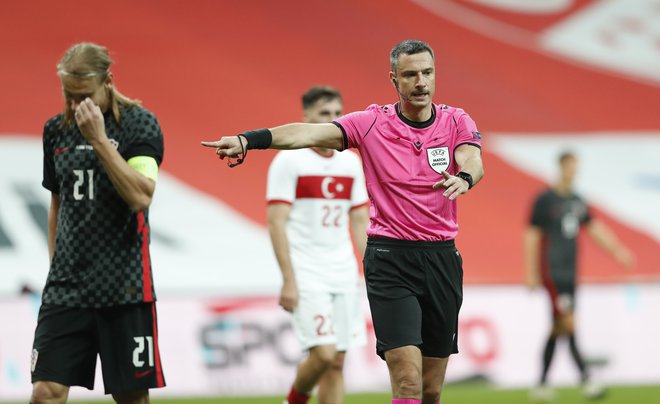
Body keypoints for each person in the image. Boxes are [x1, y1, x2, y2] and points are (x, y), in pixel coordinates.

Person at [203, 39, 484, 404]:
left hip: (442, 259)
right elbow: (307, 133)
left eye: (427, 72)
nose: (421, 82)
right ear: (394, 79)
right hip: (390, 259)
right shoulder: (370, 124)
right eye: (411, 74)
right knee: (407, 380)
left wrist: (464, 177)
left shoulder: (455, 120)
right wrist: (248, 140)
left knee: (431, 389)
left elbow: (472, 158)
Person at [30, 42, 166, 404]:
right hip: (66, 288)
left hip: (124, 288)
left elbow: (141, 196)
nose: (76, 106)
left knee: (130, 398)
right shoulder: (55, 131)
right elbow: (57, 204)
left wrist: (99, 141)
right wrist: (55, 267)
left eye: (84, 96)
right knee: (45, 392)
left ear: (108, 81)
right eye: (68, 95)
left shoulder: (140, 125)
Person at [268, 86, 369, 404]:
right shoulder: (289, 161)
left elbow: (360, 222)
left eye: (338, 113)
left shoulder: (351, 163)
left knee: (338, 362)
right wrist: (288, 279)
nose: (333, 120)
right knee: (323, 354)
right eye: (325, 114)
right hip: (307, 271)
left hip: (343, 271)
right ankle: (293, 401)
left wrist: (372, 270)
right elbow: (276, 222)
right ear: (307, 117)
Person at [524, 151, 633, 402]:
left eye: (577, 167)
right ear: (561, 167)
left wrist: (618, 251)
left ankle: (540, 385)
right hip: (552, 272)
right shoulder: (545, 200)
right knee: (569, 323)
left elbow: (595, 228)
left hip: (570, 272)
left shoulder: (577, 200)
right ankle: (587, 379)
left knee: (558, 327)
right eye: (571, 166)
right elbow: (531, 235)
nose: (574, 171)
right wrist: (530, 272)